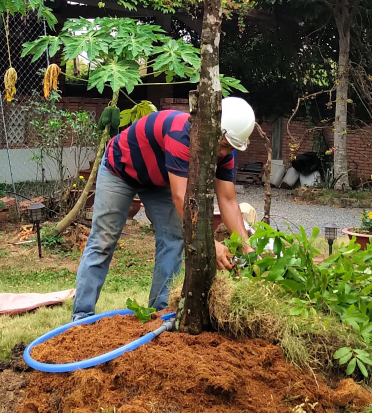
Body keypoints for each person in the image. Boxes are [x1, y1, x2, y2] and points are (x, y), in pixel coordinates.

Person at [71, 97, 256, 321]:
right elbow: (181, 198)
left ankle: (159, 314)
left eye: (232, 148)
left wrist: (247, 247)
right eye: (225, 145)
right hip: (120, 170)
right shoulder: (182, 134)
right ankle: (82, 316)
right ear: (214, 129)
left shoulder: (225, 151)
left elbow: (227, 199)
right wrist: (209, 243)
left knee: (173, 240)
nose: (225, 153)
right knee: (103, 241)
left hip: (159, 181)